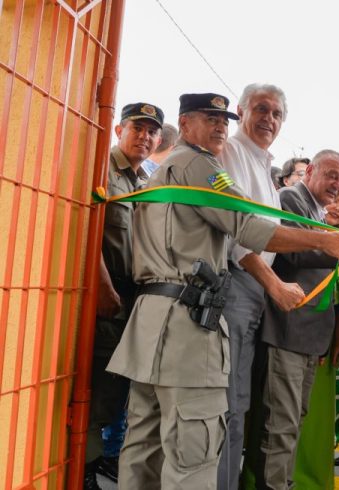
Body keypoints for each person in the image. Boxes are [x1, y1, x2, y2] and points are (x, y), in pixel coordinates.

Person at [106, 93, 339, 489]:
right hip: (186, 326)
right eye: (210, 118)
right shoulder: (203, 166)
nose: (221, 126)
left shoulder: (166, 166)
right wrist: (325, 242)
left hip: (151, 322)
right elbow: (249, 227)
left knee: (145, 445)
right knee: (194, 450)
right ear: (185, 125)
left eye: (224, 119)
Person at [216, 83, 307, 490]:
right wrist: (273, 283)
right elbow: (237, 237)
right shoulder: (231, 153)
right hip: (236, 285)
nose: (268, 119)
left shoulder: (263, 167)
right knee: (228, 403)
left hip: (252, 293)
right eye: (261, 109)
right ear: (241, 110)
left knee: (240, 403)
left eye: (276, 113)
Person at [249, 149, 339, 490]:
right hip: (287, 331)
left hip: (307, 335)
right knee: (280, 425)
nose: (337, 184)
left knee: (293, 422)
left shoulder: (315, 210)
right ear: (310, 171)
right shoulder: (291, 198)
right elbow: (293, 251)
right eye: (331, 175)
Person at [85, 102, 163, 490]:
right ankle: (83, 468)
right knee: (98, 386)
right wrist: (101, 285)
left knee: (118, 389)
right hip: (107, 294)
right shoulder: (102, 168)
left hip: (132, 297)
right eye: (137, 128)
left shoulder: (144, 182)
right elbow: (86, 228)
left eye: (151, 131)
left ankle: (100, 459)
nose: (144, 137)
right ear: (119, 130)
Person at [293, 186, 339, 490]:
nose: (338, 208)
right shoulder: (301, 232)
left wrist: (338, 336)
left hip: (326, 340)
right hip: (295, 337)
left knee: (319, 420)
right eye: (334, 201)